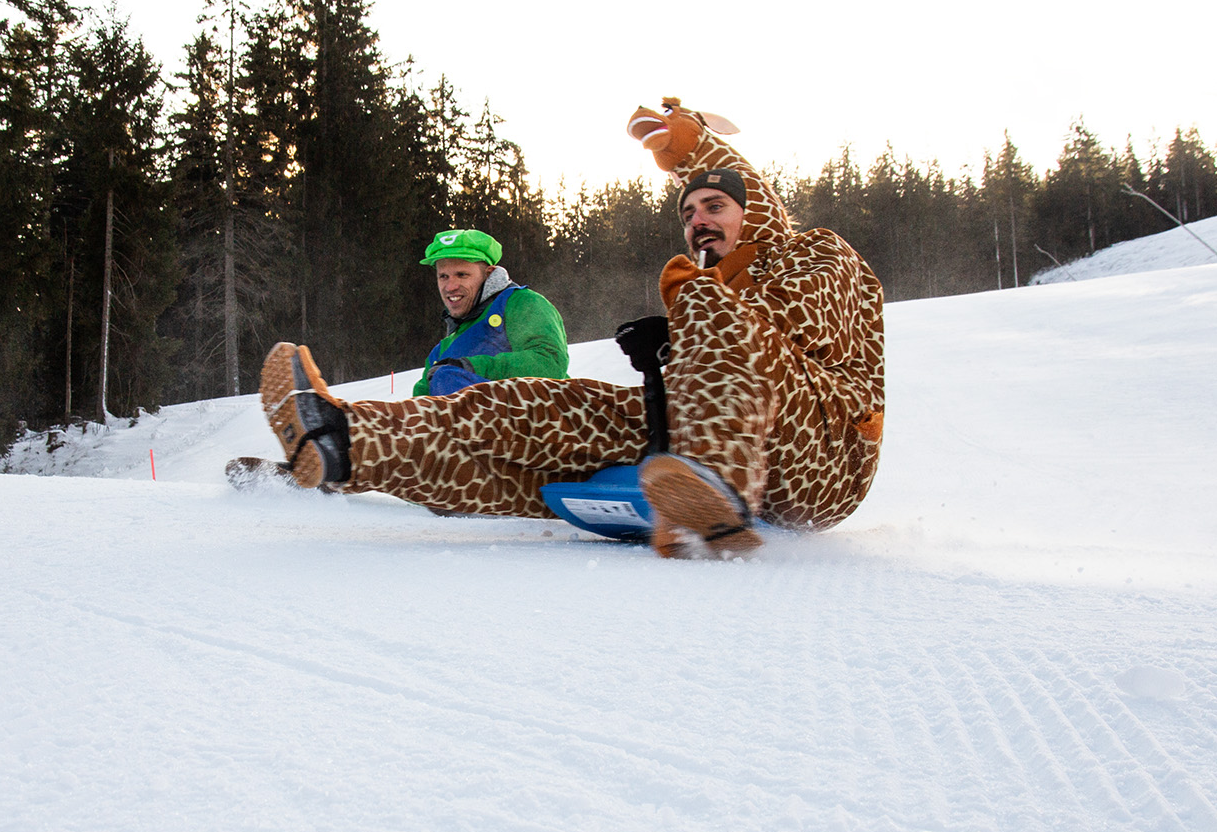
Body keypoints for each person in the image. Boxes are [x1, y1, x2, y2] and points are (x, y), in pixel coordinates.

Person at [255, 105, 884, 559]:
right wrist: (676, 352)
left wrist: (699, 303)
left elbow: (794, 334)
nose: (697, 223)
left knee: (706, 301)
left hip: (824, 457)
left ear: (757, 214)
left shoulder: (816, 255)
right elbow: (729, 356)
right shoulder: (715, 292)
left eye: (715, 207)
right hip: (721, 447)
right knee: (548, 412)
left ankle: (710, 504)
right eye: (688, 213)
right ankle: (343, 442)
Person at [413, 228, 569, 397]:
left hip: (540, 420)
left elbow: (550, 363)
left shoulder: (520, 304)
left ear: (489, 274)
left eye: (462, 275)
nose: (450, 287)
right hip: (468, 423)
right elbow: (418, 412)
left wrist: (473, 368)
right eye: (443, 276)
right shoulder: (440, 353)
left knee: (446, 377)